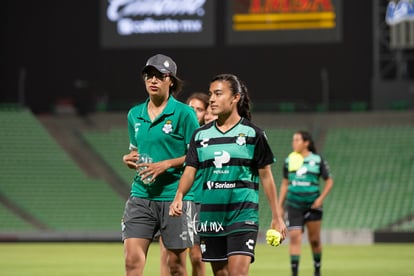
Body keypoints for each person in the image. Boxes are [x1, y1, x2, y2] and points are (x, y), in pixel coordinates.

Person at [169, 73, 287, 275]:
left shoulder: (253, 134)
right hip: (210, 216)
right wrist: (179, 195)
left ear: (235, 98)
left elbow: (266, 176)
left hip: (242, 215)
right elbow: (190, 171)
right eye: (210, 94)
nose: (212, 99)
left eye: (218, 94)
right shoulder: (200, 135)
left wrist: (277, 216)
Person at [121, 54, 200, 276]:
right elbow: (136, 151)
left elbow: (196, 155)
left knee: (175, 266)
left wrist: (166, 164)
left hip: (174, 197)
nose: (153, 80)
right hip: (141, 195)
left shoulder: (185, 114)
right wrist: (130, 158)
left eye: (159, 76)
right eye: (149, 75)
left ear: (171, 80)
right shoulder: (134, 114)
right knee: (132, 260)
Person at [159, 91, 209, 276]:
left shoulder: (206, 137)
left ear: (206, 113)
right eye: (191, 108)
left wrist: (168, 163)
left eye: (199, 109)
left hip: (199, 200)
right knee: (168, 255)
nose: (194, 113)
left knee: (197, 256)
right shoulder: (173, 135)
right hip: (173, 197)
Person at [278, 130, 334, 276]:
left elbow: (329, 181)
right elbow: (285, 184)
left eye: (297, 140)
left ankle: (317, 270)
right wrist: (279, 206)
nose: (293, 143)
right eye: (293, 140)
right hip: (294, 204)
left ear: (306, 143)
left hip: (313, 206)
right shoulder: (289, 160)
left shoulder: (317, 159)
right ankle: (294, 273)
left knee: (314, 240)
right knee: (295, 237)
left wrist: (320, 199)